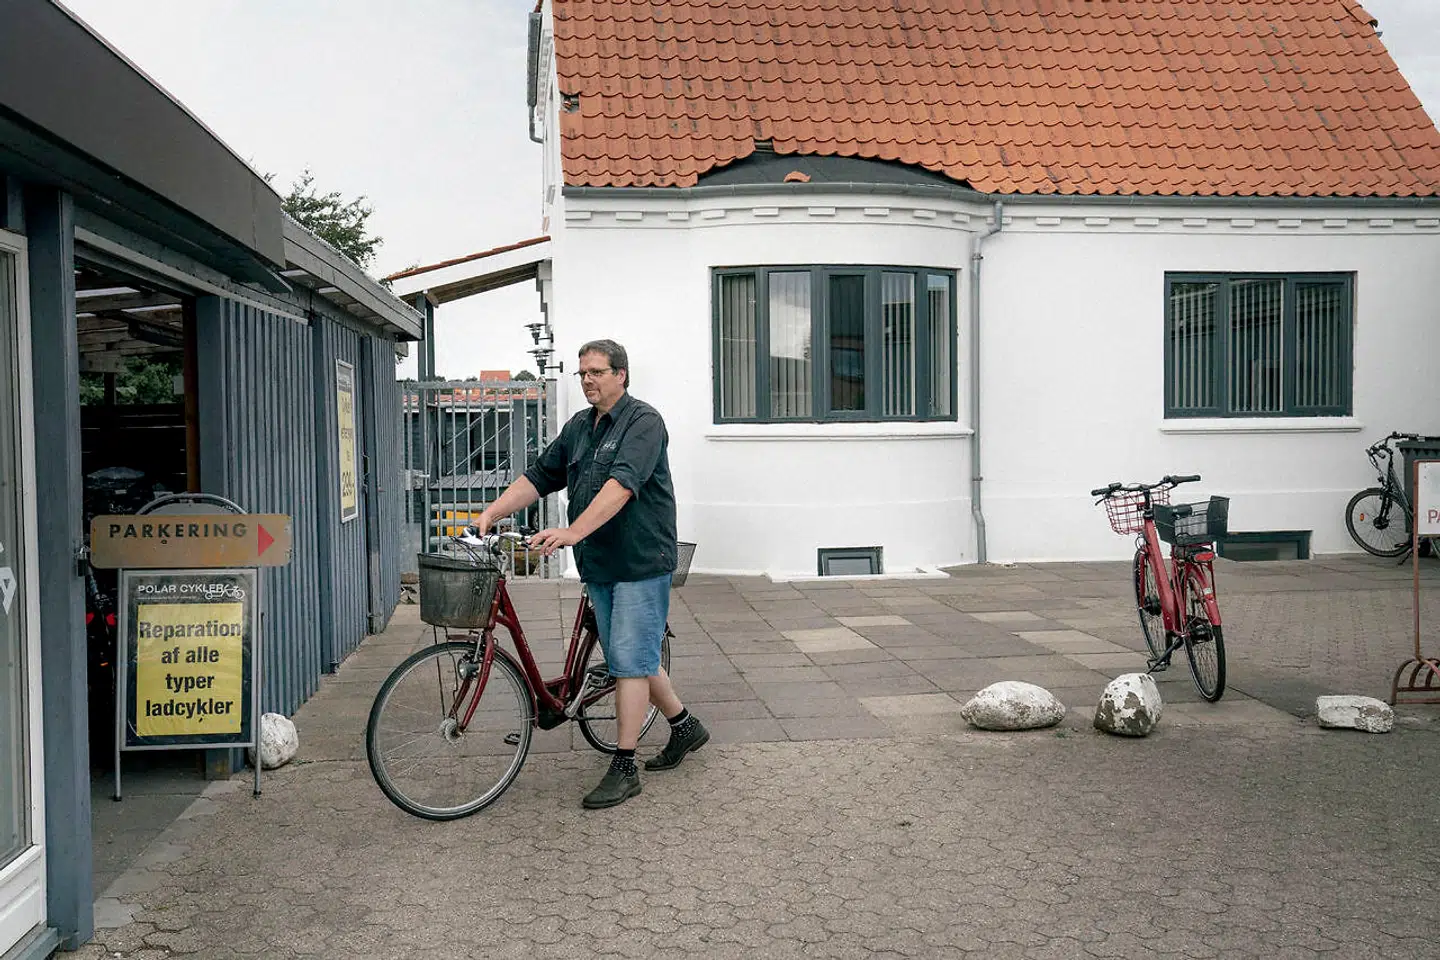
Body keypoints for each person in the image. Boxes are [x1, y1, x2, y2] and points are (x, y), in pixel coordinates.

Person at [470, 339, 708, 809]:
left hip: (639, 561)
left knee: (628, 659)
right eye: (582, 374)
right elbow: (540, 476)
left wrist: (572, 531)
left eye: (596, 372)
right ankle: (685, 728)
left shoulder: (644, 423)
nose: (587, 381)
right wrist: (492, 512)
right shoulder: (580, 427)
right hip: (599, 562)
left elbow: (621, 487)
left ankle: (625, 766)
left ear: (622, 374)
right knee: (633, 655)